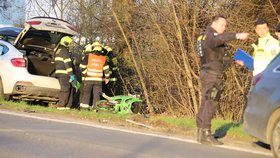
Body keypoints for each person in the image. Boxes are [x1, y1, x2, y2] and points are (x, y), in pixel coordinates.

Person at [196, 15, 249, 145]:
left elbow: (215, 57)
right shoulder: (210, 36)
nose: (224, 28)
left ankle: (200, 131)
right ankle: (206, 133)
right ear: (214, 23)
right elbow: (217, 41)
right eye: (222, 25)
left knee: (205, 102)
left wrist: (234, 61)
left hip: (207, 73)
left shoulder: (205, 37)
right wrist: (236, 35)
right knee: (211, 103)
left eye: (225, 26)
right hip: (212, 75)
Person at [79, 43, 110, 110]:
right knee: (97, 95)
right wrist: (107, 78)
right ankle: (95, 109)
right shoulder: (103, 58)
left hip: (88, 79)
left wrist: (85, 73)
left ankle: (84, 109)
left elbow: (81, 67)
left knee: (86, 94)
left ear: (93, 49)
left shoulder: (88, 56)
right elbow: (106, 69)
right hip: (98, 80)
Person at [54, 36, 77, 110]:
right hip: (65, 73)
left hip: (60, 72)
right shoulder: (64, 51)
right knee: (65, 89)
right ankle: (61, 105)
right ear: (66, 43)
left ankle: (68, 105)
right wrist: (71, 75)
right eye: (69, 44)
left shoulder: (58, 50)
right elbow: (67, 63)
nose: (70, 46)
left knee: (70, 88)